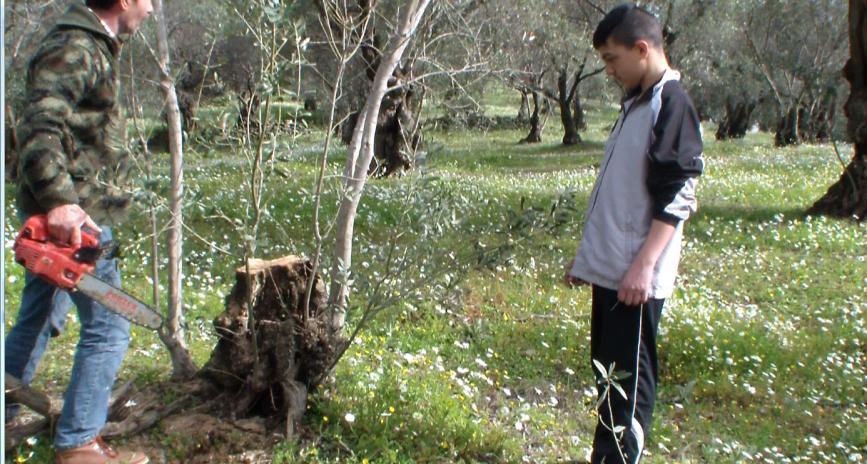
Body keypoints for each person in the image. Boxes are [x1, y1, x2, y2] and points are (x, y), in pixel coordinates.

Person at [5, 0, 153, 462]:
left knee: (40, 316)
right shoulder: (76, 46)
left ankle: (6, 408)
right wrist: (61, 203)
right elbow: (39, 125)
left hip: (72, 212)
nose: (151, 7)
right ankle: (79, 443)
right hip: (77, 217)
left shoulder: (91, 44)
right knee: (109, 329)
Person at [564, 4, 704, 463]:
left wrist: (643, 268)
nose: (608, 69)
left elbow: (679, 195)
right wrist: (590, 261)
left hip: (634, 285)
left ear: (641, 50)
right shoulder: (637, 104)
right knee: (607, 380)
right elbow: (620, 196)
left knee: (625, 391)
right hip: (613, 276)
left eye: (611, 58)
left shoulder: (670, 103)